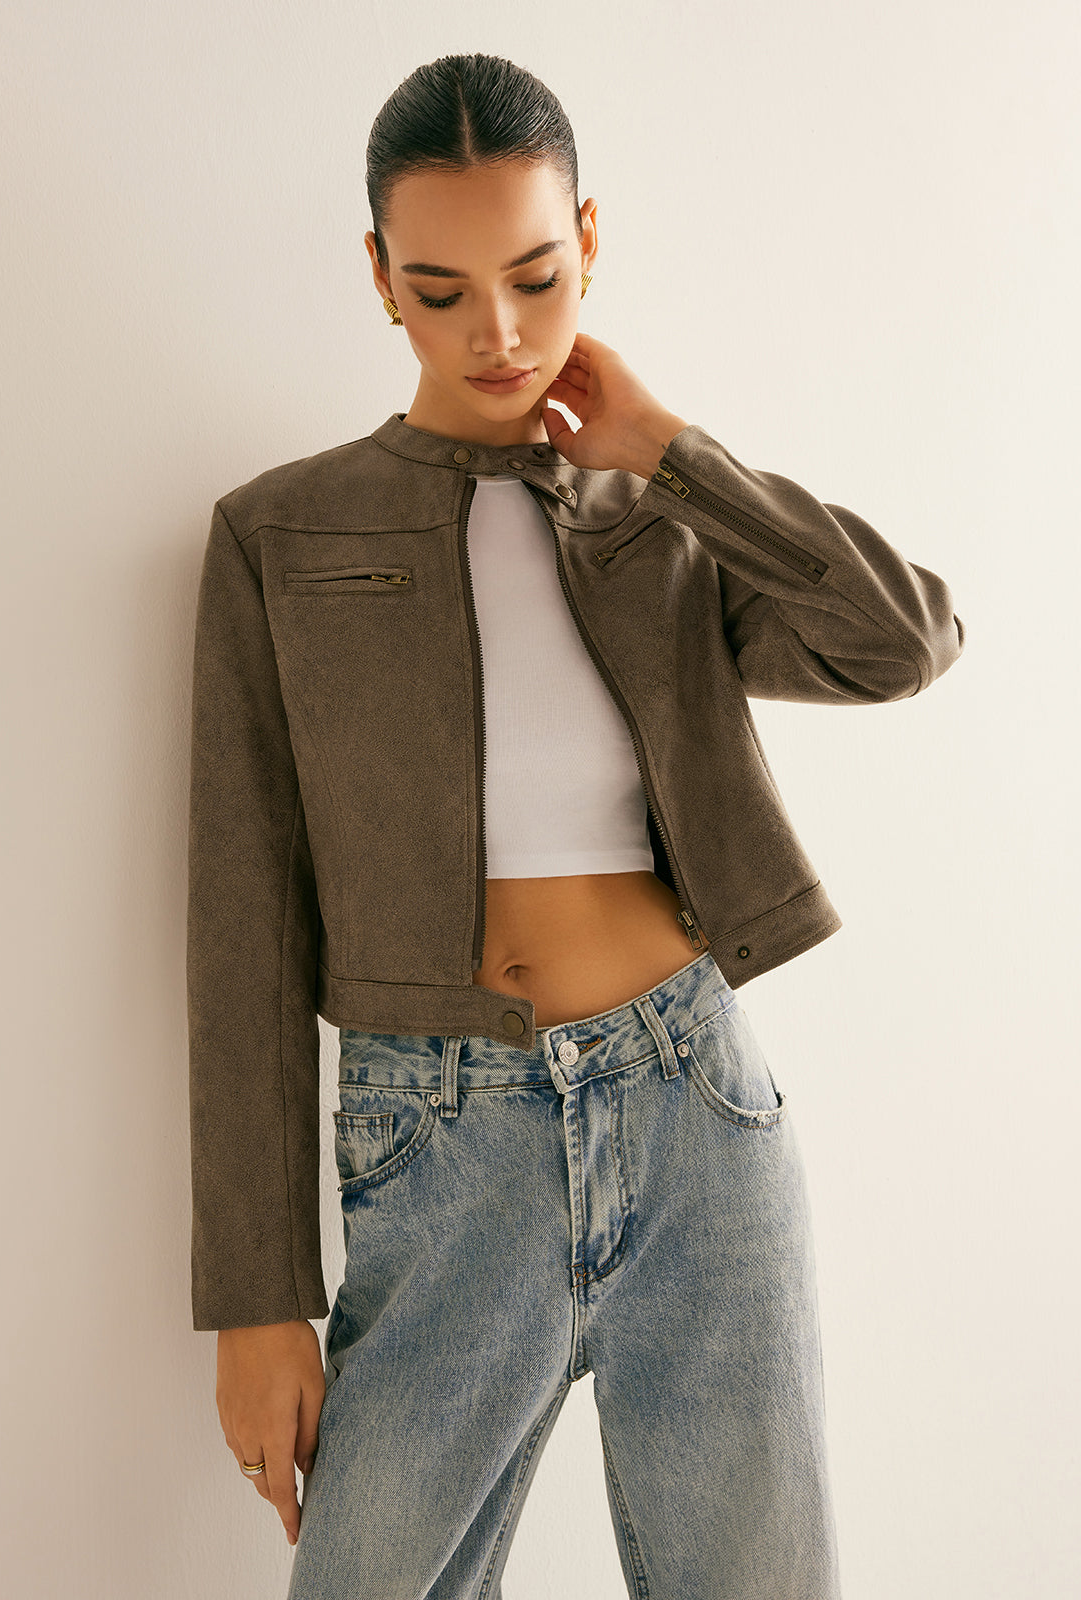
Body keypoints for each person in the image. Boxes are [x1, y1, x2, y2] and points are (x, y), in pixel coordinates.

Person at [185, 52, 965, 1599]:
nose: (497, 331)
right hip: (439, 1140)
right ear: (379, 278)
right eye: (442, 289)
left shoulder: (657, 521)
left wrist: (671, 451)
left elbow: (903, 642)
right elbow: (242, 931)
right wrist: (256, 1298)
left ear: (590, 244)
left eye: (536, 277)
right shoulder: (281, 534)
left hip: (697, 1115)